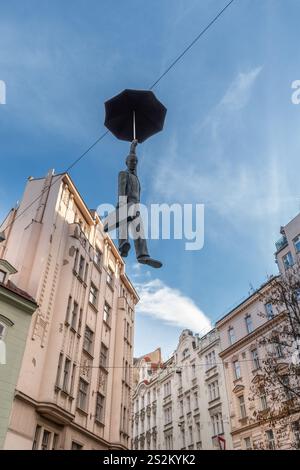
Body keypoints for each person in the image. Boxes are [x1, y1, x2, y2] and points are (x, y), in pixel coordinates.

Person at [117, 140, 162, 269]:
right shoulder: (123, 174)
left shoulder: (135, 176)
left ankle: (142, 256)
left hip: (136, 205)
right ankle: (123, 245)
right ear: (126, 162)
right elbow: (121, 190)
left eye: (135, 162)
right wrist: (121, 205)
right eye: (131, 161)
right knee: (124, 222)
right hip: (126, 202)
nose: (134, 163)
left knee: (138, 229)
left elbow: (134, 164)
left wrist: (133, 147)